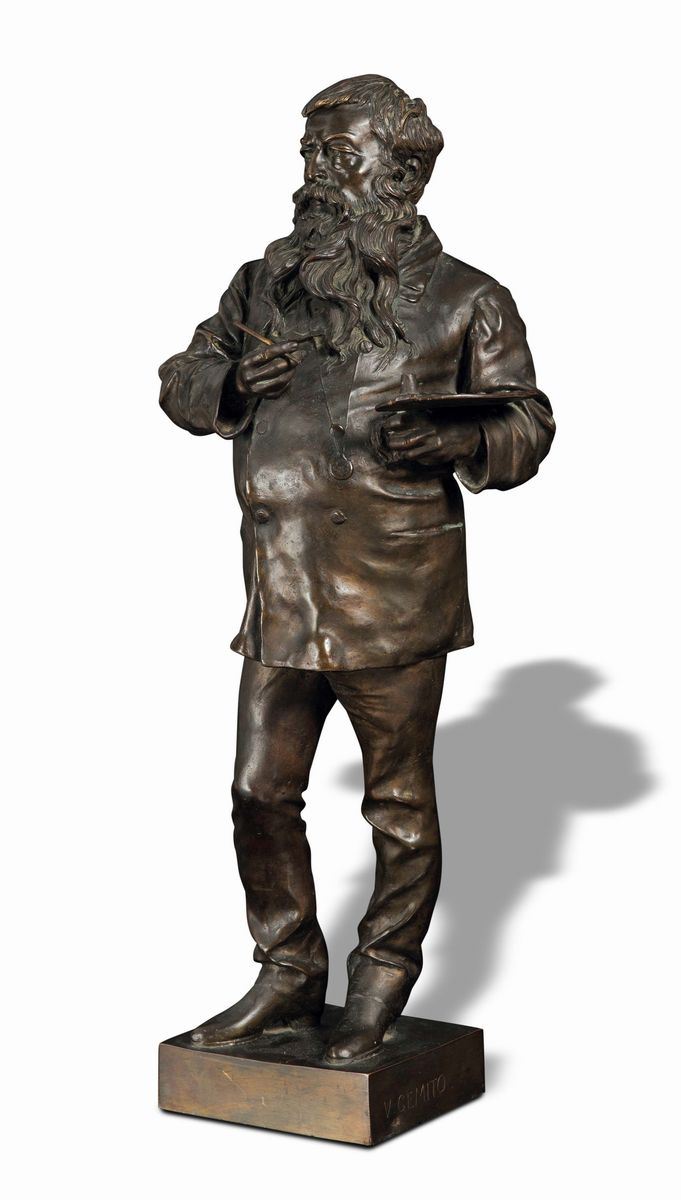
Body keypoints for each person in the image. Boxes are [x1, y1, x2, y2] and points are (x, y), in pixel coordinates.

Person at [159, 74, 555, 1063]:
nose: (315, 174)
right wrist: (225, 383)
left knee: (398, 807)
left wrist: (457, 442)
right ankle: (288, 970)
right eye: (311, 154)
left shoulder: (469, 298)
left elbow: (527, 424)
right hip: (284, 590)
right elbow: (180, 378)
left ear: (397, 173)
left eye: (336, 155)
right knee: (258, 790)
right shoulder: (264, 284)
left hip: (394, 594)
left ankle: (382, 977)